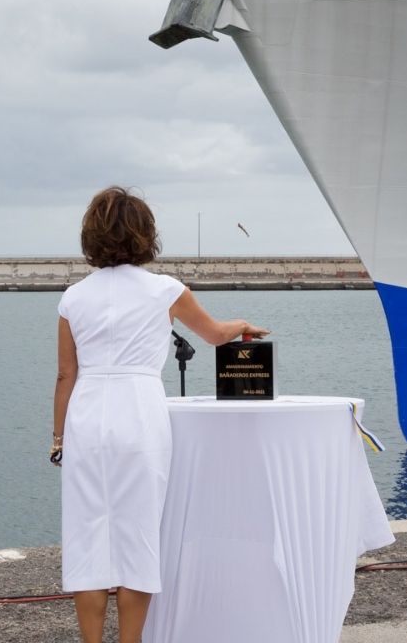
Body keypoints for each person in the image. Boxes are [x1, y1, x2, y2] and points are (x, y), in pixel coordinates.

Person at [51, 186, 268, 643]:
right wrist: (241, 325)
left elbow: (65, 375)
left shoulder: (73, 297)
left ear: (91, 237)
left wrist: (58, 439)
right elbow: (213, 334)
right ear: (145, 234)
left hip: (87, 416)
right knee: (138, 538)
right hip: (140, 414)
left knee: (87, 538)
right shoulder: (166, 290)